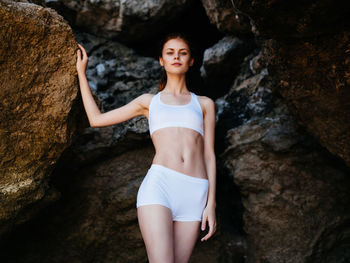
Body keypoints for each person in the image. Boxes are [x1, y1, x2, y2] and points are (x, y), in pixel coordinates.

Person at [76, 32, 217, 263]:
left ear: (191, 61)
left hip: (196, 193)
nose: (176, 57)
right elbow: (96, 119)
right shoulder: (149, 102)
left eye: (183, 53)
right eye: (170, 53)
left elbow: (209, 156)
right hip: (160, 187)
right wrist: (82, 73)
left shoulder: (204, 104)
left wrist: (211, 203)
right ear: (161, 60)